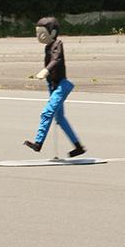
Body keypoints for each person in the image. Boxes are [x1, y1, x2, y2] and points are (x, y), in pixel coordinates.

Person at [24, 16, 86, 157]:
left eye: (42, 33)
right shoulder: (47, 47)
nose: (39, 37)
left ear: (52, 33)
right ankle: (78, 147)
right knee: (60, 119)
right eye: (37, 33)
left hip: (61, 86)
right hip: (53, 86)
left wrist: (46, 70)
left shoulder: (57, 44)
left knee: (47, 113)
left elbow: (56, 60)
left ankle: (38, 143)